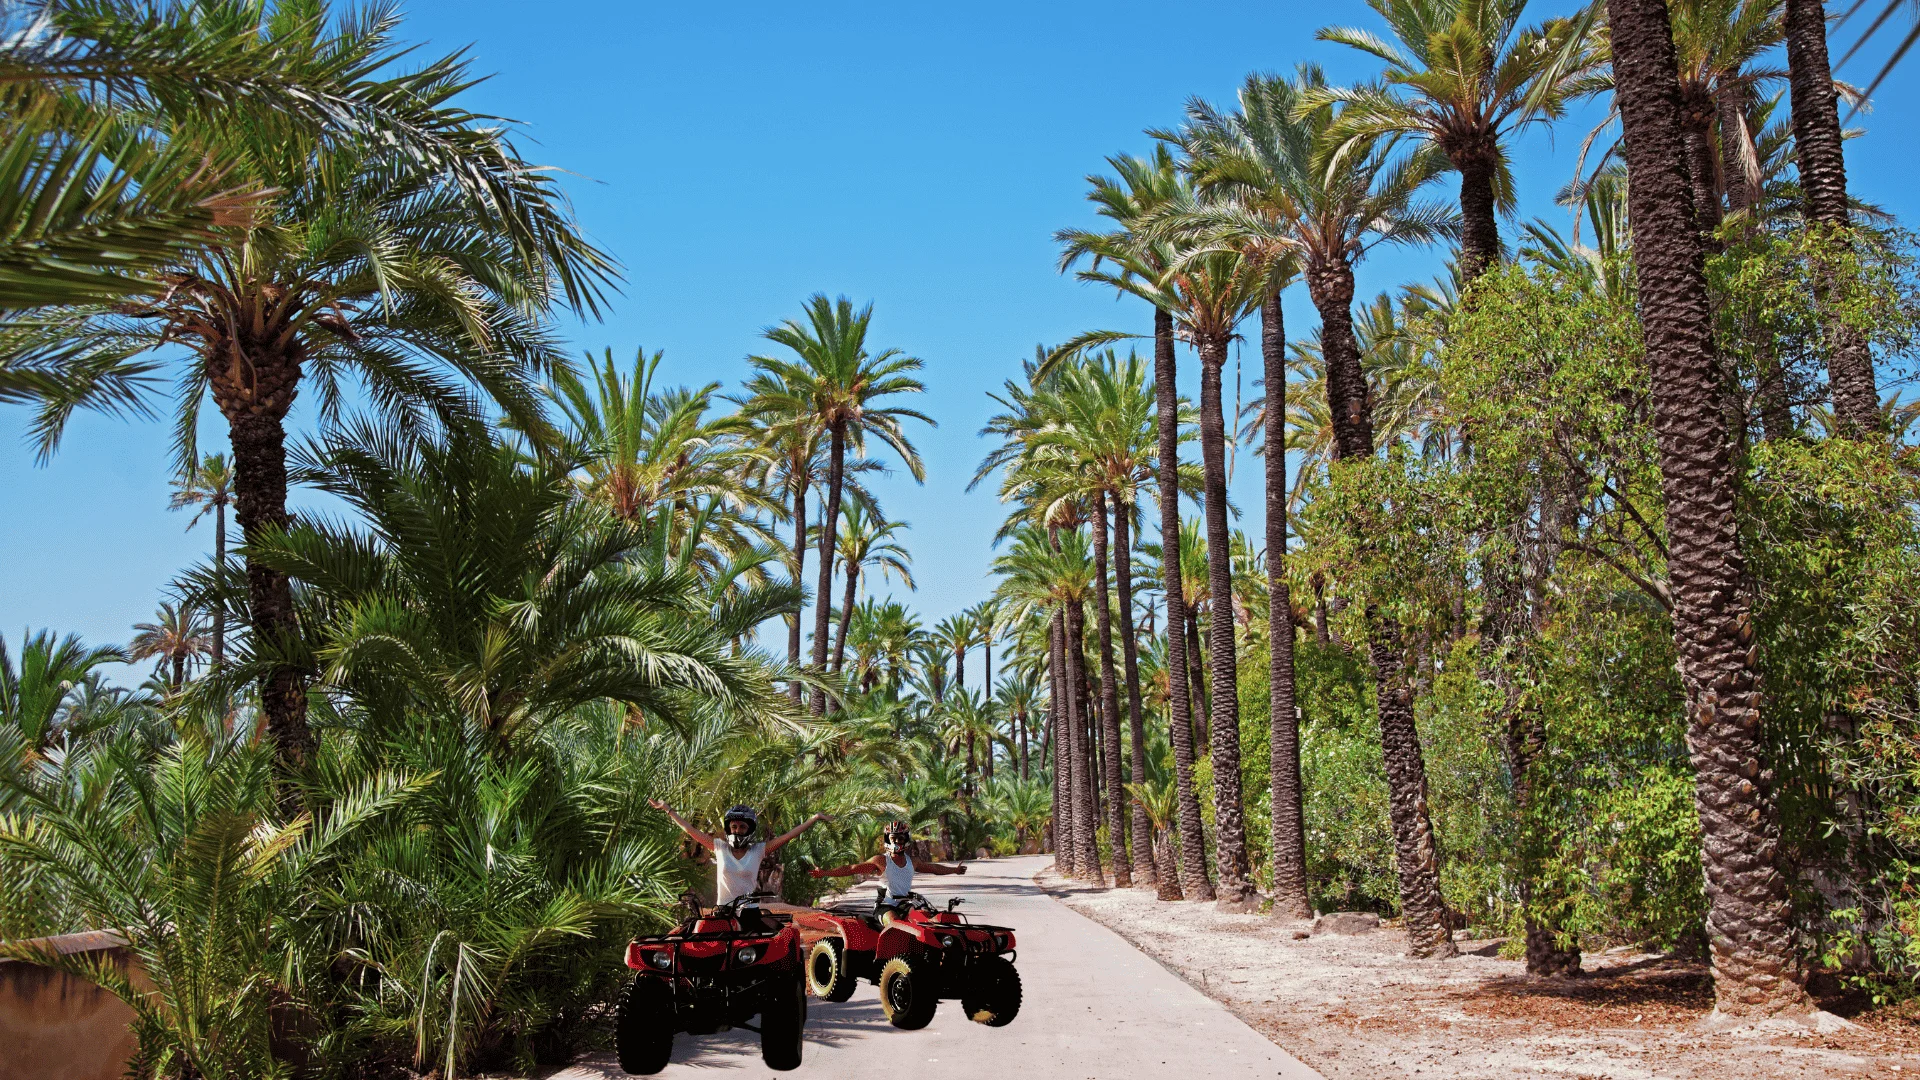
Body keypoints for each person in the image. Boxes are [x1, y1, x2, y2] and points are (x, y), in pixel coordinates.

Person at [650, 799, 831, 907]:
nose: (737, 830)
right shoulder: (719, 847)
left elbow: (788, 835)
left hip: (749, 913)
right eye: (734, 826)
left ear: (749, 829)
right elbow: (690, 830)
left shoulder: (759, 850)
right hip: (723, 913)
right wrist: (668, 809)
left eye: (742, 827)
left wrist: (814, 818)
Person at [808, 820, 966, 909]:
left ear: (906, 840)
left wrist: (955, 870)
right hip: (885, 906)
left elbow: (934, 868)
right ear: (887, 839)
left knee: (927, 920)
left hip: (906, 905)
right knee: (894, 925)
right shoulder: (881, 861)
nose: (897, 841)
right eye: (893, 838)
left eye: (900, 838)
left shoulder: (913, 861)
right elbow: (852, 869)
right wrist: (824, 873)